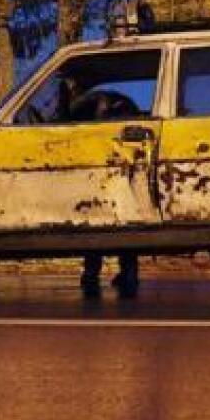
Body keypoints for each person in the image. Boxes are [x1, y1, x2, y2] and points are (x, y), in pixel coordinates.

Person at [56, 76, 142, 299]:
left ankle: (93, 273)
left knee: (96, 221)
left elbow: (70, 129)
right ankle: (126, 272)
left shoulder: (89, 104)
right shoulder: (108, 100)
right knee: (122, 220)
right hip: (120, 162)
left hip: (101, 161)